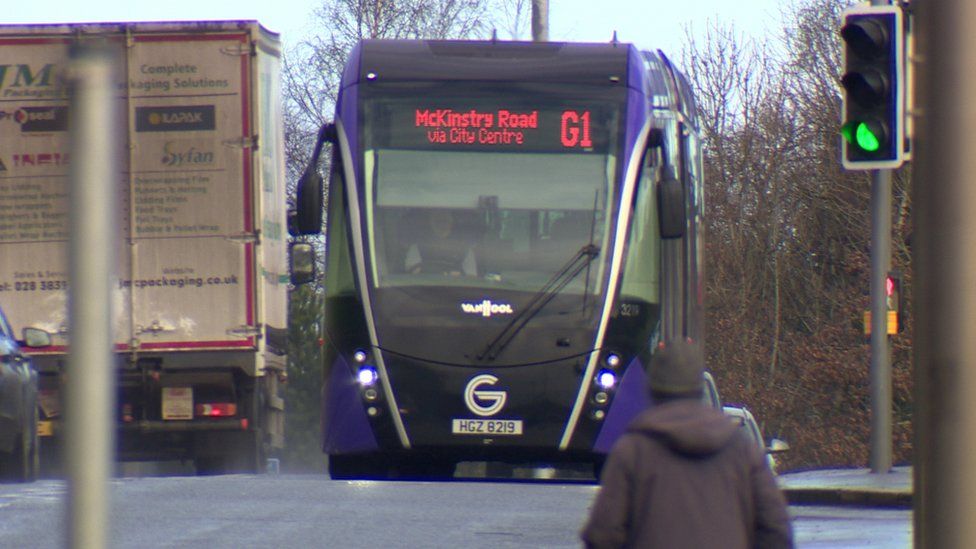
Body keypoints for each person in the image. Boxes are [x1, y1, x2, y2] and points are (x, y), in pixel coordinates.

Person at [580, 340, 794, 549]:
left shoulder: (633, 451)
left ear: (653, 389)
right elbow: (775, 531)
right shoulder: (740, 449)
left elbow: (603, 533)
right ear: (700, 389)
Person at [404, 209, 477, 276]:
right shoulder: (417, 248)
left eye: (445, 221)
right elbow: (414, 274)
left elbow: (471, 278)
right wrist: (446, 273)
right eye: (438, 221)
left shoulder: (466, 250)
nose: (442, 224)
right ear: (430, 223)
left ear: (451, 222)